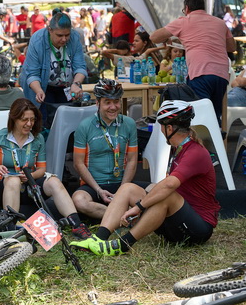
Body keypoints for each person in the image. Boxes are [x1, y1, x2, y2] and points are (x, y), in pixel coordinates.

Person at [71, 100, 219, 255]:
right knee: (127, 188)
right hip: (175, 221)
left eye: (161, 126)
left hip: (197, 230)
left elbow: (169, 185)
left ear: (169, 128)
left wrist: (138, 207)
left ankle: (121, 245)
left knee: (166, 195)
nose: (161, 130)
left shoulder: (195, 152)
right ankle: (98, 239)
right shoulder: (178, 149)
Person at [0, 98, 92, 240]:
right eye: (24, 120)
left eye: (32, 120)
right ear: (14, 119)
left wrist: (31, 176)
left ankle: (77, 225)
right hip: (4, 188)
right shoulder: (1, 136)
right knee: (13, 180)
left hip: (28, 186)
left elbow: (41, 169)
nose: (29, 124)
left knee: (54, 181)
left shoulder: (37, 138)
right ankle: (10, 228)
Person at [151, 0, 235, 124]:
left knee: (200, 116)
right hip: (221, 74)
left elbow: (154, 37)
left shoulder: (184, 21)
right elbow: (231, 47)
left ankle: (206, 137)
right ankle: (217, 136)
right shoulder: (220, 22)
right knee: (214, 114)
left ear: (187, 8)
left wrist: (167, 38)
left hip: (200, 72)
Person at [71, 79, 138, 220]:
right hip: (94, 186)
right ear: (97, 103)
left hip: (122, 184)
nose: (113, 107)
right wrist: (99, 190)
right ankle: (123, 217)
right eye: (107, 102)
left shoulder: (129, 124)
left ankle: (113, 216)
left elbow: (132, 160)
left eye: (116, 102)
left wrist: (123, 190)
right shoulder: (85, 126)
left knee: (154, 190)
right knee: (79, 200)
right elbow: (78, 163)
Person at [19, 12, 87, 127]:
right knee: (46, 122)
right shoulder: (37, 40)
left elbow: (80, 66)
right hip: (44, 87)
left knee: (69, 123)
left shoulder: (75, 38)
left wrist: (76, 84)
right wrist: (38, 90)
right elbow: (32, 73)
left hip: (68, 87)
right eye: (59, 35)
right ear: (50, 30)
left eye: (67, 35)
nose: (64, 39)